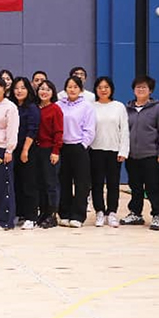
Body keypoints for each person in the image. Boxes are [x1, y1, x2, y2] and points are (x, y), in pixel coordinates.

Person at [122, 75, 159, 231]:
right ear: (133, 90)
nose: (140, 90)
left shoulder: (158, 109)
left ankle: (157, 215)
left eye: (144, 87)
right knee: (135, 187)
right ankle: (136, 213)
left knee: (153, 187)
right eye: (138, 87)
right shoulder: (127, 109)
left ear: (150, 90)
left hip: (151, 155)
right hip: (132, 156)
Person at [57, 76, 96, 228]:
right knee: (63, 182)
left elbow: (90, 129)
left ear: (80, 89)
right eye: (69, 87)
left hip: (78, 147)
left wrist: (83, 144)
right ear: (65, 89)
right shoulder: (59, 105)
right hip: (62, 147)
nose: (72, 89)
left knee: (81, 183)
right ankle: (64, 213)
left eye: (75, 87)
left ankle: (78, 215)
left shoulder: (87, 106)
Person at [89, 77, 129, 228]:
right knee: (97, 183)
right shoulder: (91, 107)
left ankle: (112, 212)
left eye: (106, 87)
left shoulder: (119, 107)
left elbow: (124, 129)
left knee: (113, 183)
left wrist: (123, 150)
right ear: (96, 90)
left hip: (114, 151)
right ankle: (99, 212)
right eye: (100, 87)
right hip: (95, 150)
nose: (103, 90)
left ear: (111, 89)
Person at [0, 77, 20, 231]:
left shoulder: (10, 107)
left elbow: (12, 130)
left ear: (5, 89)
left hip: (2, 149)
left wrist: (9, 150)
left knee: (4, 185)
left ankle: (5, 220)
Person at [9, 77, 41, 230]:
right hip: (13, 149)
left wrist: (25, 150)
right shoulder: (12, 106)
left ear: (28, 90)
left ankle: (31, 216)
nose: (19, 91)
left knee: (29, 184)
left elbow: (32, 130)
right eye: (16, 88)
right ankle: (20, 213)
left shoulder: (32, 108)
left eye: (22, 88)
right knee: (17, 183)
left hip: (27, 149)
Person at [33, 80, 63, 228]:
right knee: (40, 183)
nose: (44, 92)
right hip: (36, 150)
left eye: (48, 89)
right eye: (41, 89)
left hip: (49, 150)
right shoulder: (35, 108)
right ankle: (43, 212)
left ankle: (52, 214)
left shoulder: (55, 109)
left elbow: (58, 132)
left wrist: (56, 151)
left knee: (51, 183)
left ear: (52, 93)